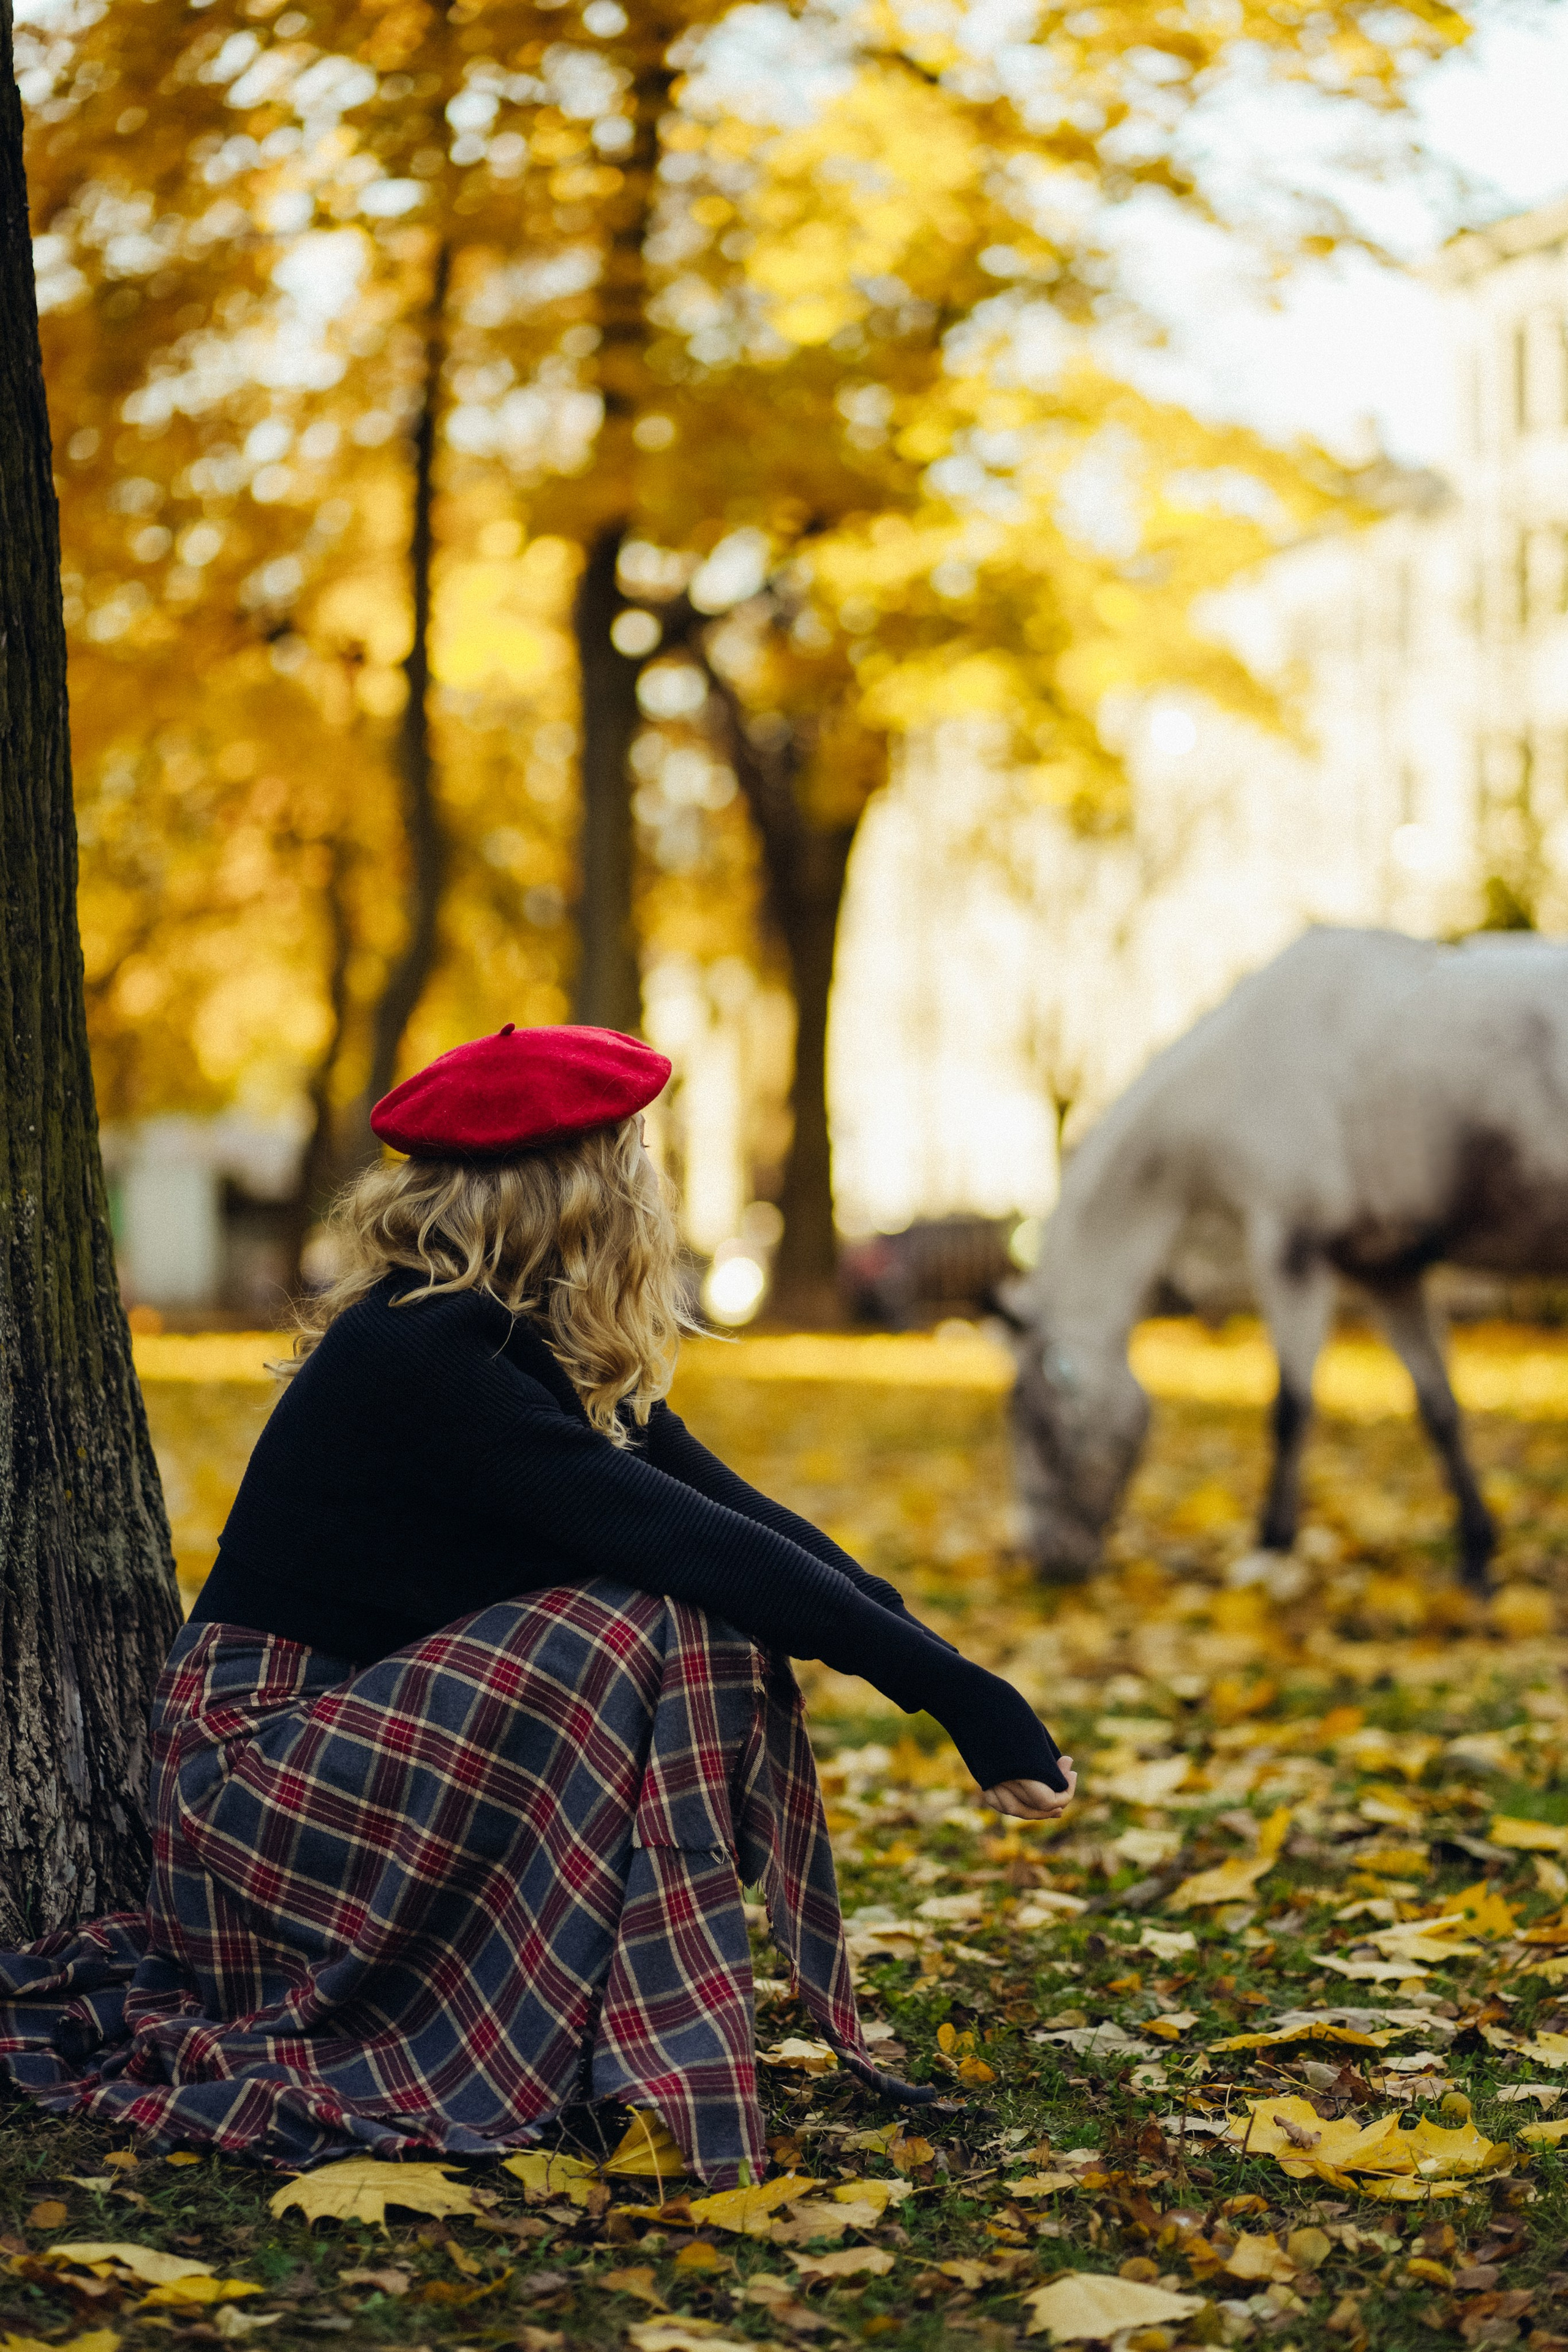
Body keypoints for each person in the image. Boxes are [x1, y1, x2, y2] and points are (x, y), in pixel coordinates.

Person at [0, 1024, 1074, 2183]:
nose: (650, 1187)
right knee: (653, 1620)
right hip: (258, 1779)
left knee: (679, 1610)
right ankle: (657, 2058)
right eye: (634, 1156)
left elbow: (746, 1523)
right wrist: (950, 1696)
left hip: (359, 1736)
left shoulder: (525, 1347)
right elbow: (691, 1547)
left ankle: (635, 2043)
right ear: (575, 1188)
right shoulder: (421, 1356)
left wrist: (962, 1682)